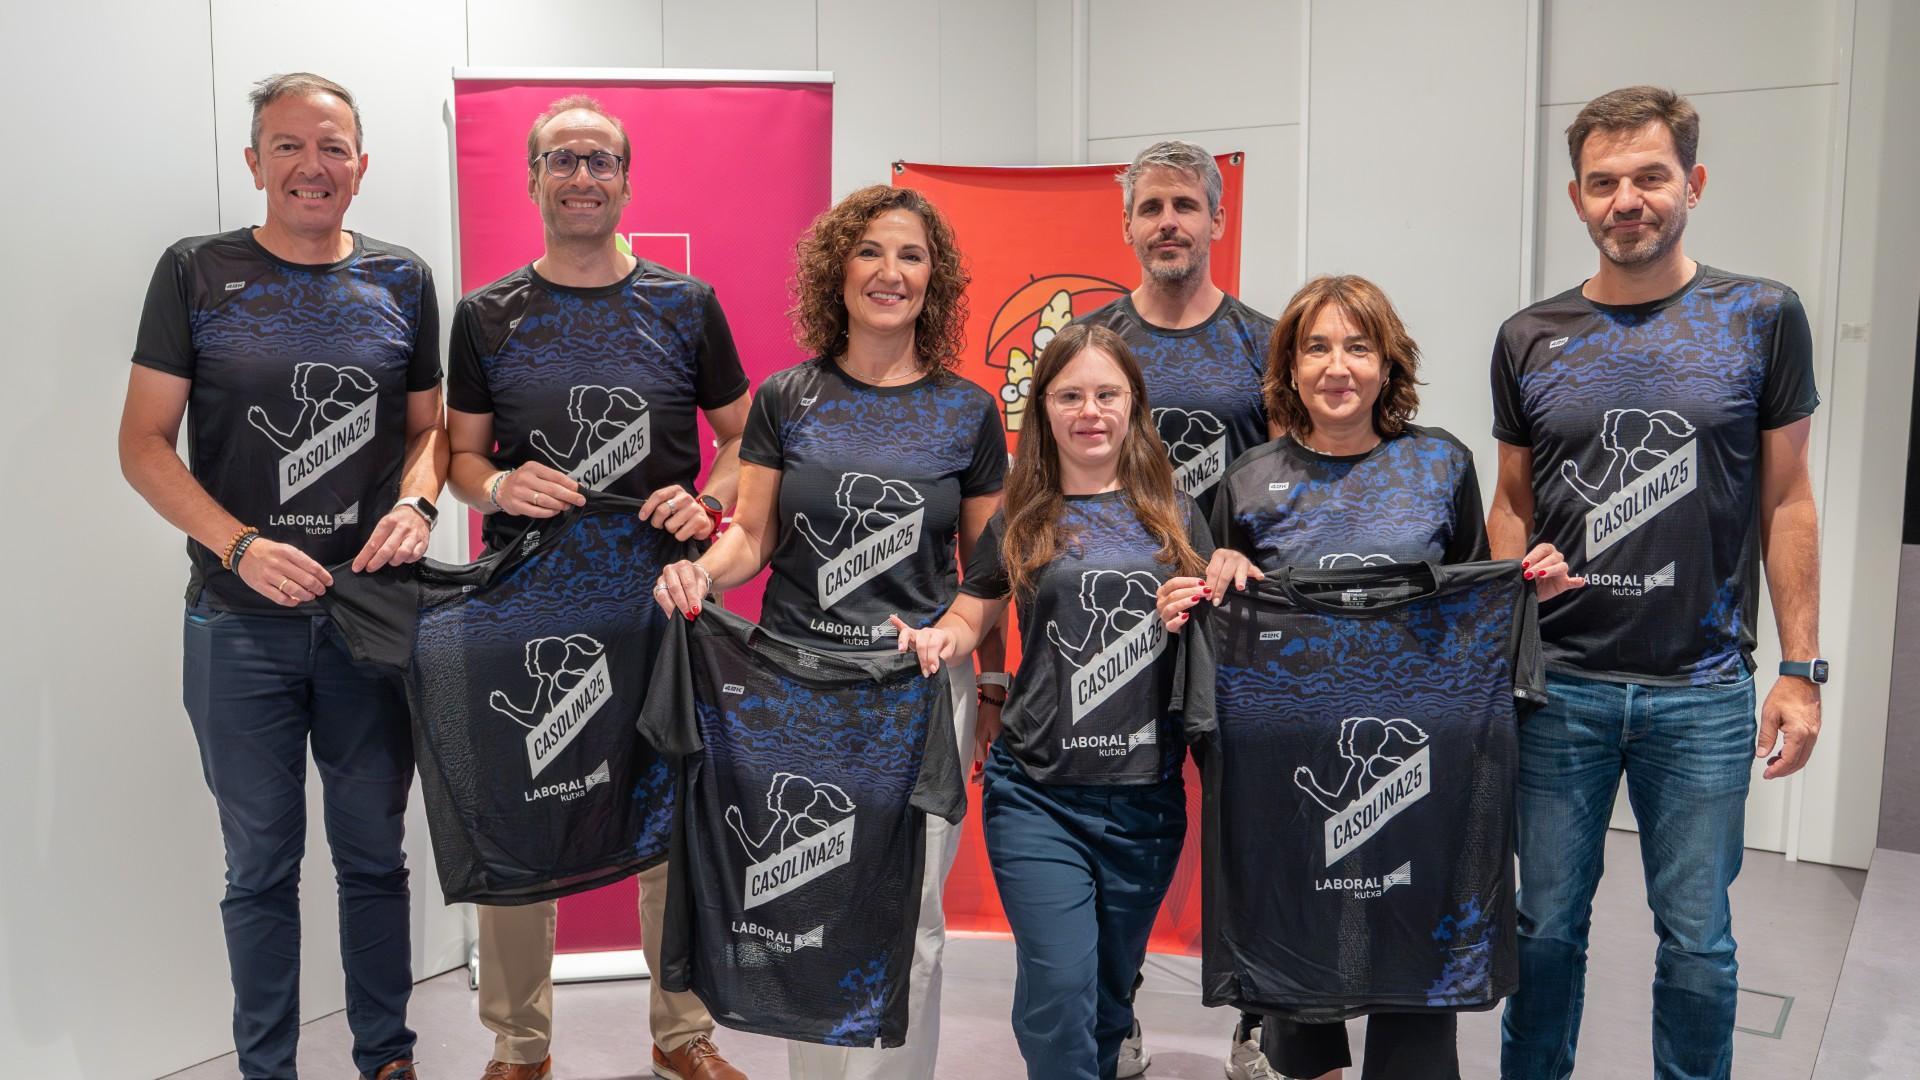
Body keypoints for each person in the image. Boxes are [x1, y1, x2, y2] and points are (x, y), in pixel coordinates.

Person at [1156, 275, 1579, 1080]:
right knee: (1302, 997)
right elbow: (1214, 607)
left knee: (1415, 992)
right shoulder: (1248, 478)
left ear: (1389, 365)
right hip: (1291, 771)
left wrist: (1522, 581)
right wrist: (1222, 567)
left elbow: (1470, 596)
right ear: (1290, 365)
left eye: (1358, 346)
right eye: (1316, 346)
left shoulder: (1439, 463)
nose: (1337, 366)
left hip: (1422, 769)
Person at [1488, 86, 1823, 1080]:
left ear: (1694, 183)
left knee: (1699, 942)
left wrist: (1802, 668)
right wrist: (1514, 582)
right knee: (1543, 931)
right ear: (1576, 197)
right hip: (1562, 689)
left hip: (1704, 689)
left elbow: (1789, 502)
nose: (1626, 199)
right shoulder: (1528, 336)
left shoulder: (1761, 316)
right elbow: (1511, 499)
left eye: (1649, 177)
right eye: (1604, 182)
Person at [118, 72, 445, 1080]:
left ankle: (385, 1057)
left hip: (371, 624)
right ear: (253, 162)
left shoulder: (403, 280)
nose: (313, 166)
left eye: (333, 146)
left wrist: (416, 503)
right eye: (289, 146)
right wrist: (240, 545)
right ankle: (268, 1067)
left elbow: (429, 431)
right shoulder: (197, 273)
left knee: (372, 858)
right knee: (259, 867)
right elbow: (142, 445)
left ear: (361, 165)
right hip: (236, 624)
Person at [653, 185, 1007, 1080]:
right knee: (811, 902)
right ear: (837, 271)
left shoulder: (968, 412)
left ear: (937, 279)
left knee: (909, 914)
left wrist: (974, 663)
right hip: (793, 692)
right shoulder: (788, 395)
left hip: (915, 696)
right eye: (872, 253)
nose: (891, 273)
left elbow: (991, 573)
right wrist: (704, 570)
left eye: (912, 256)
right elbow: (756, 536)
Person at [443, 95, 752, 1080]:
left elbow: (749, 437)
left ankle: (683, 1035)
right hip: (525, 605)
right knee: (522, 823)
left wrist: (705, 500)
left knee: (673, 816)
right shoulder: (485, 315)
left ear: (627, 177)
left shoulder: (685, 304)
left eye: (601, 160)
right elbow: (455, 456)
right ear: (532, 178)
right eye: (562, 160)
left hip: (658, 602)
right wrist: (495, 483)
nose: (583, 176)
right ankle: (519, 1047)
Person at [890, 323, 1208, 1080]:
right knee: (1061, 984)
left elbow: (1216, 631)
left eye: (1106, 394)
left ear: (1133, 405)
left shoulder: (1177, 514)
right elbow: (975, 609)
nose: (1088, 411)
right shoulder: (1023, 516)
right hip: (1036, 794)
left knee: (1104, 996)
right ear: (1044, 410)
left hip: (1146, 800)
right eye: (1070, 395)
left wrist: (1189, 610)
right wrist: (944, 640)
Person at [1073, 137, 1275, 1080]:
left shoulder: (1265, 344)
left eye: (1185, 207)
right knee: (1128, 832)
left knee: (1253, 828)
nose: (1168, 224)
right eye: (1150, 208)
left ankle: (1265, 1018)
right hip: (1125, 628)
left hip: (1241, 626)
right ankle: (1116, 1017)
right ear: (1125, 224)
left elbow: (1297, 484)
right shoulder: (1100, 344)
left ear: (1217, 220)